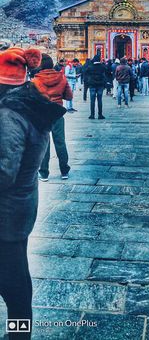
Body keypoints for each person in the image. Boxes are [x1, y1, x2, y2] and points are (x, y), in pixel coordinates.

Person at [0, 48, 65, 339]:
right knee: (17, 286)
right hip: (19, 209)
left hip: (6, 214)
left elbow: (4, 171)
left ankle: (18, 337)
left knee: (15, 291)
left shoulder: (10, 116)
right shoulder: (31, 107)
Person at [32, 54, 72, 181]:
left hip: (42, 115)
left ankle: (44, 172)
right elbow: (69, 96)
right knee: (60, 142)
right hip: (57, 113)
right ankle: (64, 170)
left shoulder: (35, 81)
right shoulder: (62, 78)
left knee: (44, 143)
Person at [87, 54, 106, 119]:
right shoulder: (102, 66)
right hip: (100, 85)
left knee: (92, 100)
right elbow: (104, 75)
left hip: (92, 85)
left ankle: (92, 115)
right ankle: (100, 115)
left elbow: (86, 74)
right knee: (99, 100)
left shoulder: (90, 67)